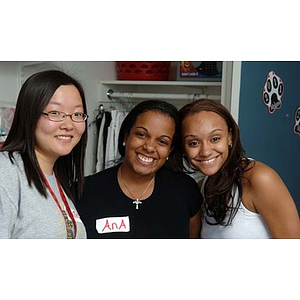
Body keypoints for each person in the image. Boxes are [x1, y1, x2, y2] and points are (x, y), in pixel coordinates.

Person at [76, 100, 202, 238]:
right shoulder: (84, 191)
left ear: (170, 150)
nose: (149, 147)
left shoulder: (185, 190)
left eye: (162, 141)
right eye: (141, 134)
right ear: (126, 135)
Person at [179, 98, 300, 239]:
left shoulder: (259, 178)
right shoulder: (201, 188)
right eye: (194, 143)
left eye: (215, 139)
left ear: (230, 137)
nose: (205, 151)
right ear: (183, 148)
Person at [0, 70, 88, 239]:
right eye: (55, 113)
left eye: (77, 114)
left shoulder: (58, 179)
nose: (69, 125)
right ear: (30, 115)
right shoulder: (7, 170)